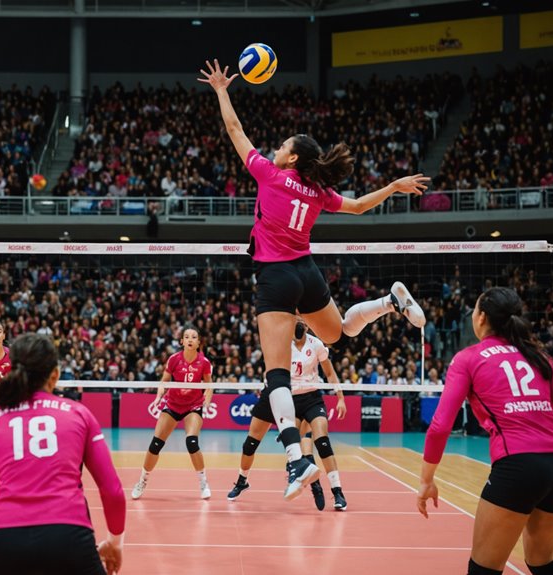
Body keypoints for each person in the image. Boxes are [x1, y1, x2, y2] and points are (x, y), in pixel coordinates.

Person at [199, 59, 429, 499]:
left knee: (276, 377)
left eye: (282, 145)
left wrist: (222, 90)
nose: (276, 147)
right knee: (337, 333)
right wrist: (393, 187)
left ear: (292, 157)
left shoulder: (270, 173)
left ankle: (296, 461)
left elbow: (234, 131)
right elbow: (360, 206)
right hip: (308, 272)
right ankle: (386, 303)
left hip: (277, 276)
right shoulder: (319, 192)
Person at [418, 287, 553, 575]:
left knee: (484, 569)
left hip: (518, 464)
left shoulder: (468, 358)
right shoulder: (537, 355)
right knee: (543, 563)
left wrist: (426, 480)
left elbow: (440, 426)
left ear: (481, 318)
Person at [0, 333, 126, 575]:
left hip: (3, 541)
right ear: (55, 374)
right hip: (68, 539)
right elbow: (113, 492)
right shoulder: (78, 413)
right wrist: (114, 544)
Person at [227, 319, 349, 512]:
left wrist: (340, 397)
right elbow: (269, 367)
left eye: (303, 322)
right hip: (281, 394)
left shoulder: (316, 344)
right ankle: (242, 480)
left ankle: (337, 491)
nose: (300, 325)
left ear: (309, 325)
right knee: (250, 444)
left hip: (310, 397)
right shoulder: (281, 341)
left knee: (321, 441)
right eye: (296, 321)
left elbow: (330, 373)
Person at [131, 325, 213, 500]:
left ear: (198, 342)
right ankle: (142, 481)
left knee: (192, 442)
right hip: (173, 404)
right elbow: (164, 381)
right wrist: (158, 397)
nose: (190, 339)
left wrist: (207, 400)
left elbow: (209, 385)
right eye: (187, 337)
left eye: (194, 337)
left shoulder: (204, 362)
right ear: (182, 341)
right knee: (155, 444)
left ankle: (203, 482)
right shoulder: (174, 359)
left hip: (193, 405)